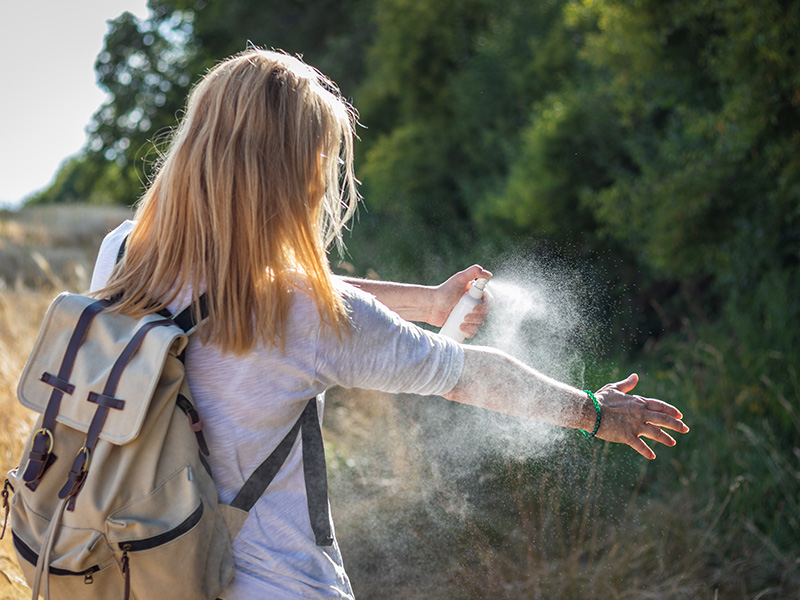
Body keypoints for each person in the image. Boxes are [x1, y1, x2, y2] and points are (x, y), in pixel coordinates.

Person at [90, 48, 688, 600]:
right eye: (321, 155)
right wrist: (595, 412)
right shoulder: (303, 312)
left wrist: (428, 303)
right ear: (292, 169)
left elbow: (261, 284)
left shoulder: (125, 253)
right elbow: (465, 374)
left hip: (141, 573)